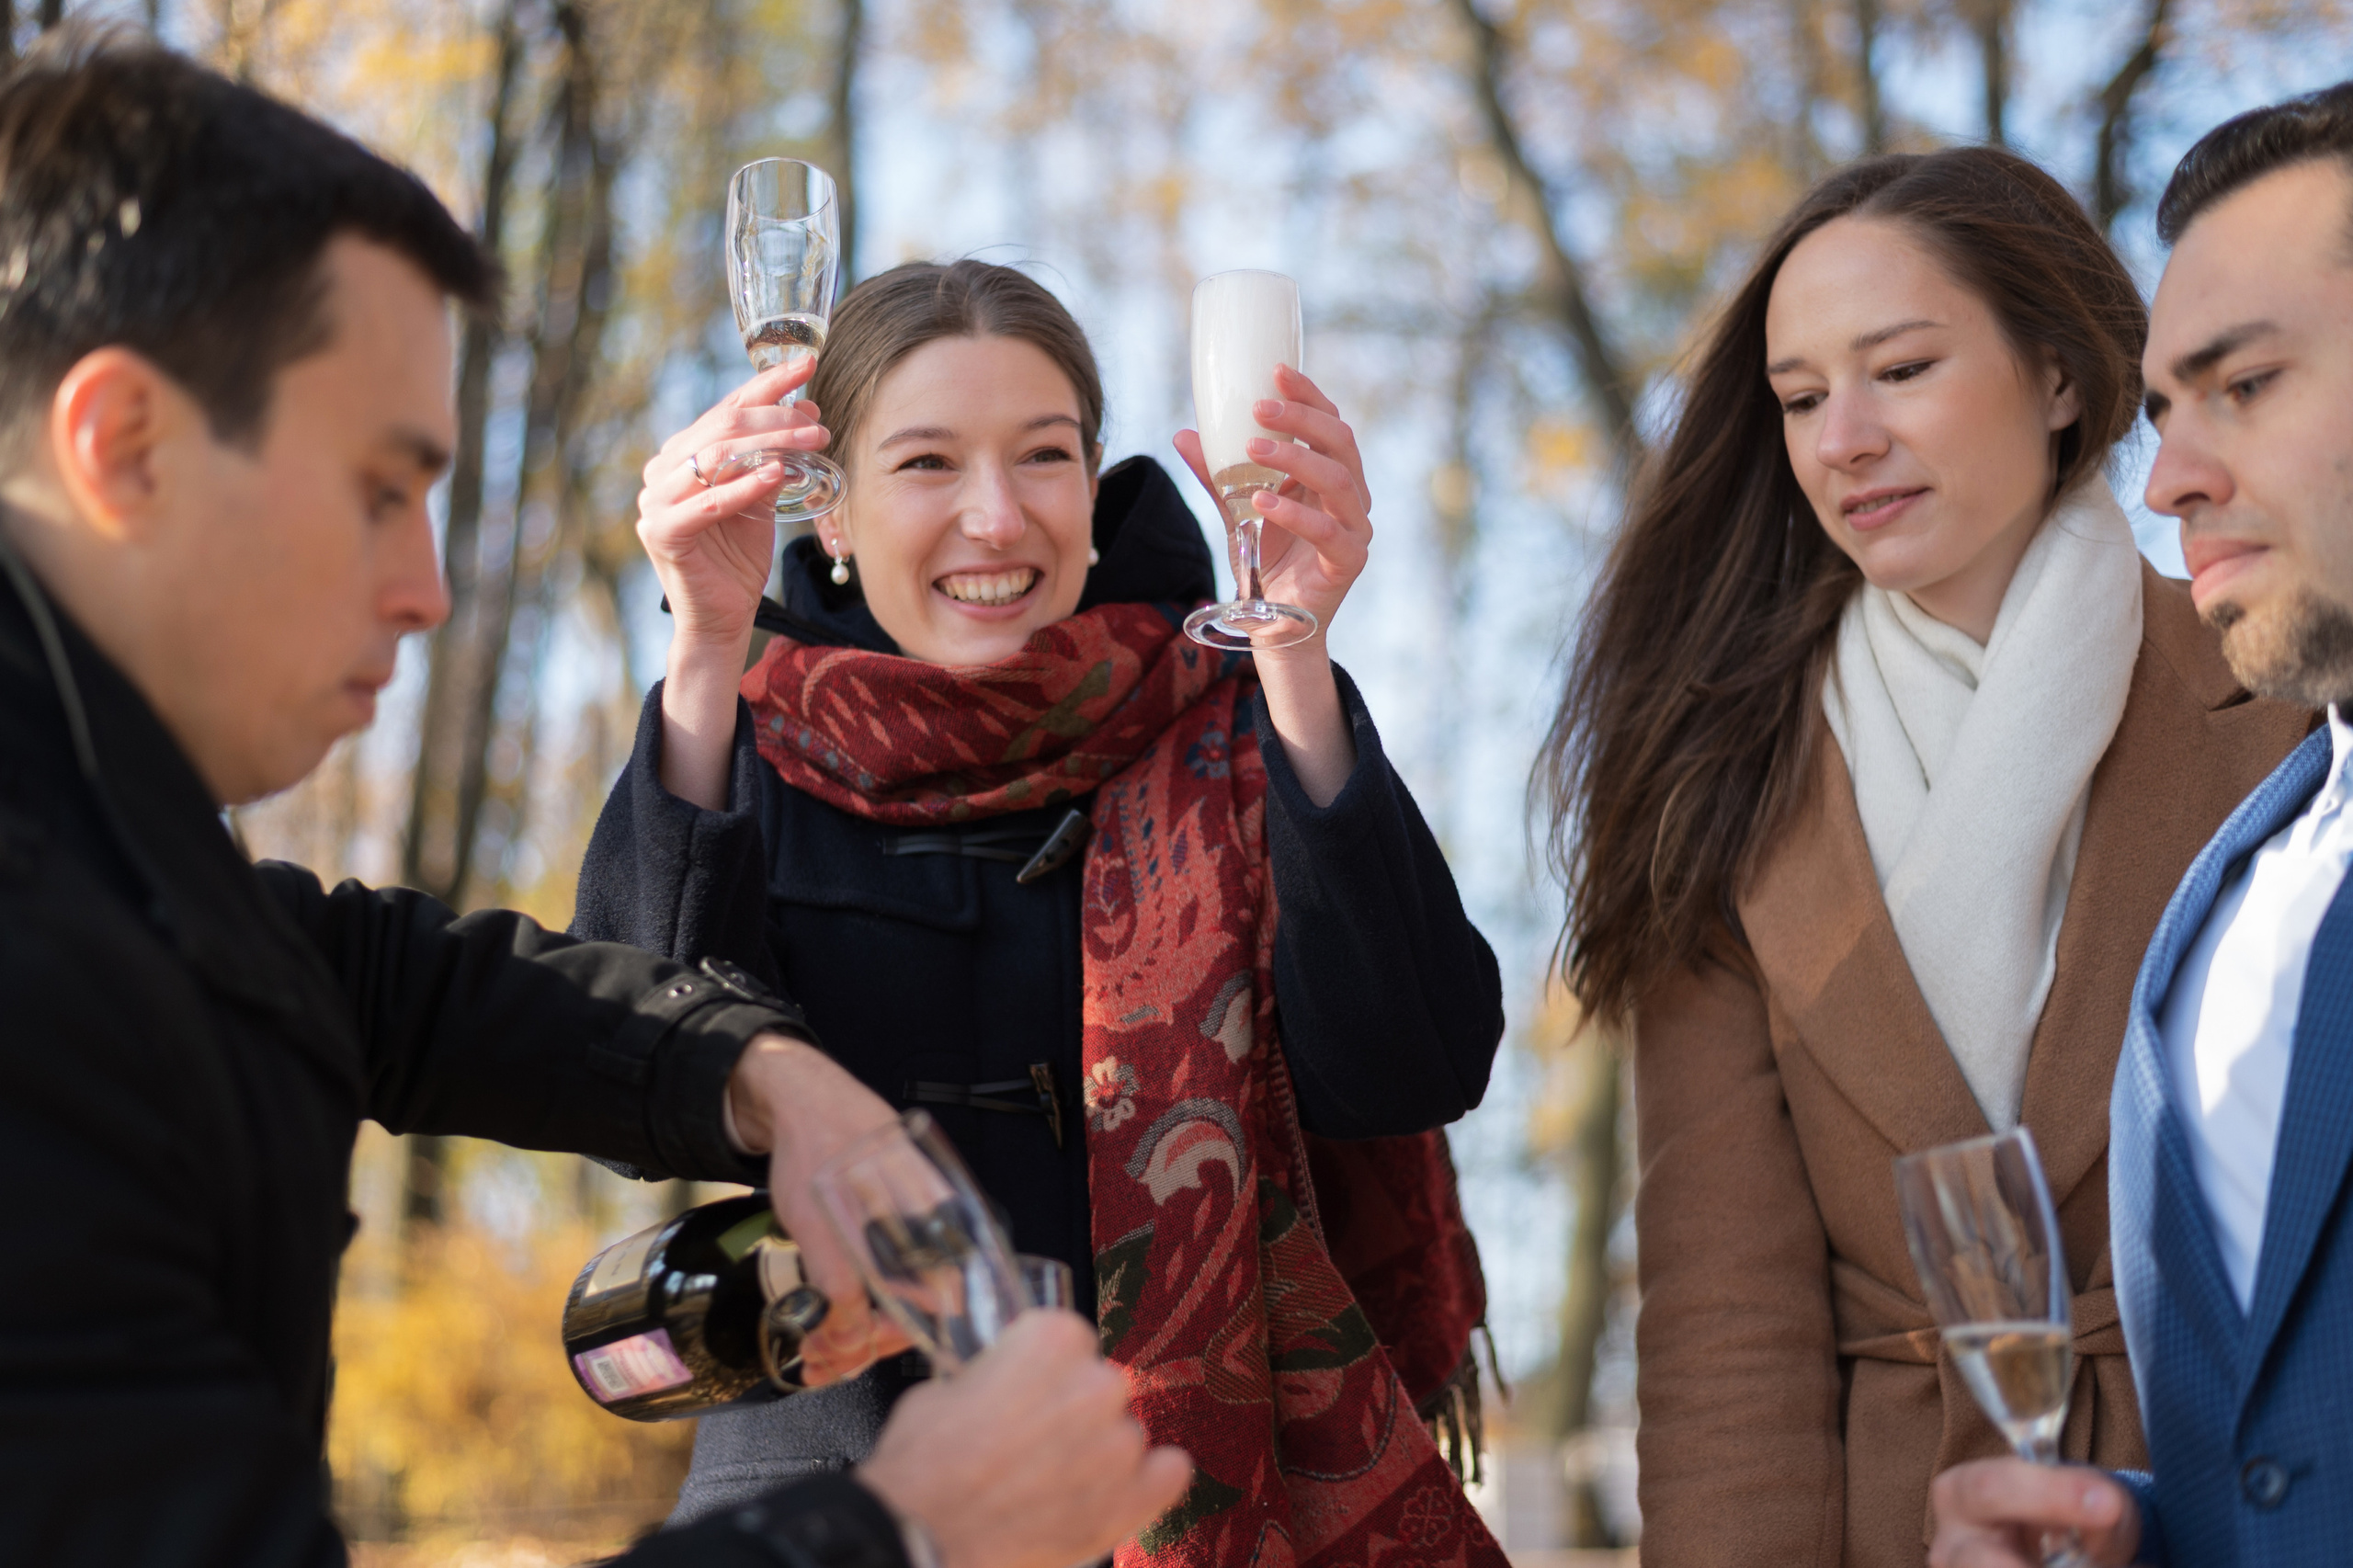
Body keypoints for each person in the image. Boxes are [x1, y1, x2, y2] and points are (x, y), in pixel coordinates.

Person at [0, 28, 1192, 1567]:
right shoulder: (38, 973)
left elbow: (402, 981)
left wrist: (771, 1077)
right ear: (125, 446)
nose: (428, 590)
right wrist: (899, 1530)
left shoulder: (131, 858)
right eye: (381, 488)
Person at [569, 258, 1507, 1563]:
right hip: (841, 1514)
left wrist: (1295, 655)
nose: (997, 518)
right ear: (826, 508)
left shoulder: (1237, 720)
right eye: (928, 463)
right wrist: (705, 647)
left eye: (1043, 456)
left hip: (1190, 1506)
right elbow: (626, 1088)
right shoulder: (748, 746)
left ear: (1097, 473)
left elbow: (1414, 1063)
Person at [1538, 145, 2313, 1568]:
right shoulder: (1720, 785)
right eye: (1800, 398)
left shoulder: (2279, 708)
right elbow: (1729, 1328)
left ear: (2061, 377)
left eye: (1899, 369)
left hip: (2233, 1508)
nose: (1842, 437)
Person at [1929, 84, 2353, 1568]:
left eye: (2246, 385)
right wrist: (2134, 1540)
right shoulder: (2229, 894)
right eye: (2167, 410)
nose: (2167, 475)